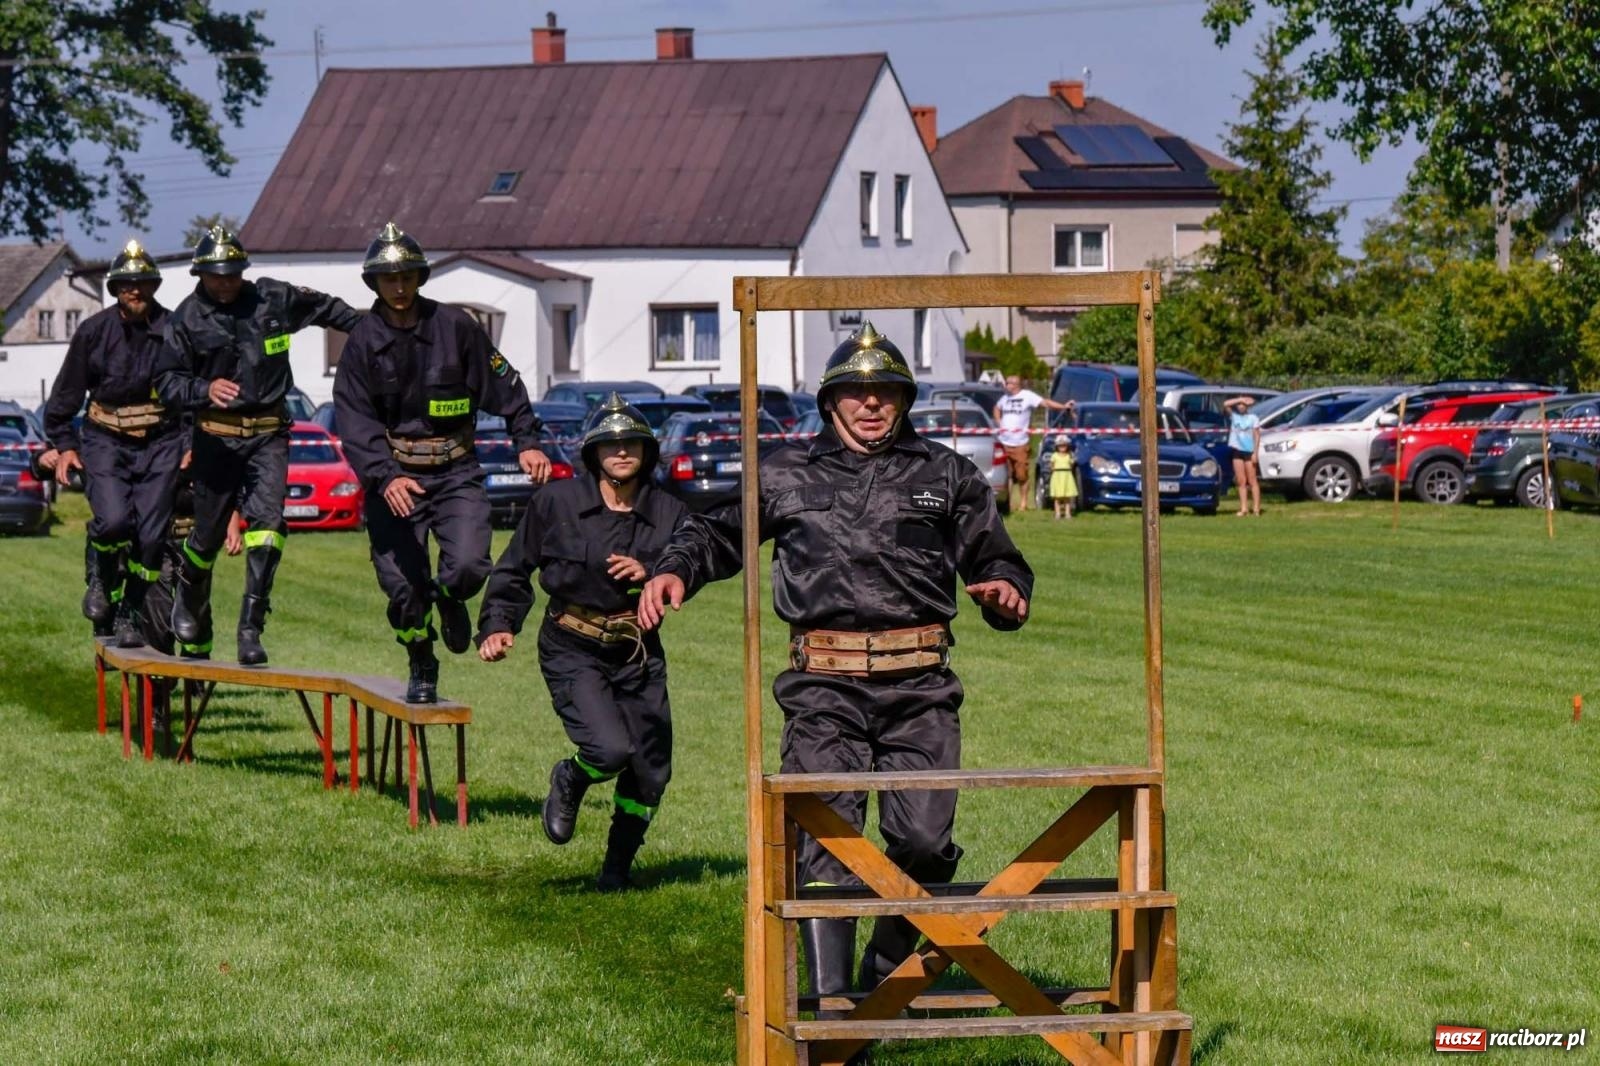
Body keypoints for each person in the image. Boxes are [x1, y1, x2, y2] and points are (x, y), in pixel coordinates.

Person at [638, 322, 1033, 1009]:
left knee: (925, 843)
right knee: (827, 838)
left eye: (886, 392)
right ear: (830, 402)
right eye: (856, 391)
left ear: (904, 400)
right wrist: (676, 569)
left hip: (921, 688)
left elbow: (996, 558)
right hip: (822, 687)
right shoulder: (785, 472)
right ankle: (833, 1012)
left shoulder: (946, 474)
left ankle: (885, 966)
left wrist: (1005, 591)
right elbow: (714, 530)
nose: (871, 403)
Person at [477, 394, 687, 891]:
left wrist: (653, 570)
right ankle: (570, 778)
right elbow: (514, 568)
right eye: (610, 444)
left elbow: (691, 563)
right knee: (608, 749)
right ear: (592, 453)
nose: (621, 451)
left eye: (632, 443)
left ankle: (616, 869)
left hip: (637, 651)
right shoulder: (556, 503)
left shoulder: (671, 511)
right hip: (572, 644)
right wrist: (499, 624)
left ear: (647, 451)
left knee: (651, 771)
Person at [334, 222, 550, 703]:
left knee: (470, 565)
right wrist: (385, 476)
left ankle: (450, 598)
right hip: (395, 479)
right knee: (403, 591)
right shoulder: (362, 342)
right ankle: (421, 657)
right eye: (389, 278)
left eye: (407, 276)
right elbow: (354, 421)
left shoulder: (456, 327)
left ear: (420, 276)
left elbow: (507, 386)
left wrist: (527, 441)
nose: (399, 286)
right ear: (374, 282)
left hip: (456, 473)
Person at [155, 224, 364, 665]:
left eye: (233, 274)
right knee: (207, 536)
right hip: (216, 439)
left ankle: (250, 628)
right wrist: (204, 389)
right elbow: (166, 383)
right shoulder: (185, 319)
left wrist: (375, 334)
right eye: (218, 276)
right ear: (201, 274)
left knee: (268, 528)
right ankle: (189, 599)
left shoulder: (273, 298)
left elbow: (328, 308)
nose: (227, 283)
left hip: (269, 435)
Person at [43, 239, 184, 648]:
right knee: (114, 521)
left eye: (142, 283)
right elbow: (64, 399)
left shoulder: (175, 331)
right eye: (126, 284)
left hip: (161, 443)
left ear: (154, 286)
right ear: (116, 289)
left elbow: (191, 392)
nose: (134, 290)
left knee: (153, 538)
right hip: (104, 440)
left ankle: (130, 610)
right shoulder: (93, 332)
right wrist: (66, 446)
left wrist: (190, 441)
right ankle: (102, 582)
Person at [992, 374, 1072, 513]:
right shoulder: (1005, 398)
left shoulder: (1027, 396)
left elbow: (1045, 403)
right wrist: (999, 421)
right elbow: (996, 408)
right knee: (1007, 475)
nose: (1006, 385)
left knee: (1022, 476)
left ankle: (1023, 503)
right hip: (1004, 442)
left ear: (1016, 385)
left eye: (1008, 383)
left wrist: (1063, 407)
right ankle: (1008, 504)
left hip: (1020, 443)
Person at [1225, 396, 1262, 517]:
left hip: (1249, 451)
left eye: (1243, 405)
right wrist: (1240, 399)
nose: (1241, 406)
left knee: (1252, 480)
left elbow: (1257, 436)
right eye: (1239, 405)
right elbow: (1225, 404)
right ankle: (1244, 508)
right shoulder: (1234, 416)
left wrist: (1255, 453)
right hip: (1237, 451)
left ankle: (1256, 508)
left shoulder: (1253, 418)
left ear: (1247, 407)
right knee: (1241, 481)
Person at [1049, 435, 1078, 520]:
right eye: (1060, 445)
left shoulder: (1069, 456)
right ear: (1057, 446)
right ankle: (1058, 513)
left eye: (1064, 445)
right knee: (1057, 497)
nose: (1062, 447)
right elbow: (1051, 465)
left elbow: (1071, 465)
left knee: (1067, 497)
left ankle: (1067, 513)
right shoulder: (1054, 455)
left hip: (1066, 476)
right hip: (1058, 476)